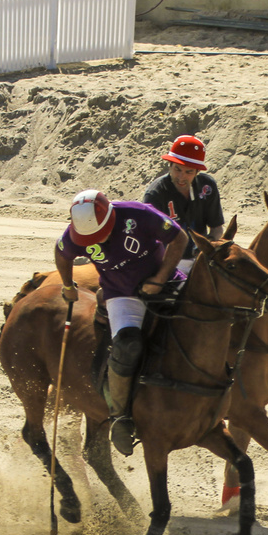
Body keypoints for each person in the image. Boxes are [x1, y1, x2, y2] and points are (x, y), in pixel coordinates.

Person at [55, 189, 186, 457]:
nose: (94, 242)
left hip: (167, 280)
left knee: (208, 316)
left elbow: (179, 238)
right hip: (121, 294)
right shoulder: (75, 234)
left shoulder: (138, 214)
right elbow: (61, 253)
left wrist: (160, 278)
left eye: (96, 235)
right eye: (87, 240)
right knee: (126, 345)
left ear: (110, 219)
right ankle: (121, 417)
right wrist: (68, 285)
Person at [140, 135, 224, 275]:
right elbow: (149, 241)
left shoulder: (207, 187)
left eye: (189, 172)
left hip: (202, 258)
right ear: (170, 166)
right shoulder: (155, 194)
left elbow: (217, 228)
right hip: (168, 261)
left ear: (197, 172)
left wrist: (208, 246)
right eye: (177, 169)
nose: (181, 177)